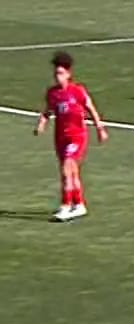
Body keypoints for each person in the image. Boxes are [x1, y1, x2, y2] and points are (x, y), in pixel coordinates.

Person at [34, 51, 107, 222]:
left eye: (60, 74)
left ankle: (66, 206)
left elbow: (91, 108)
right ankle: (79, 204)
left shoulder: (77, 91)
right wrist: (41, 124)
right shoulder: (53, 93)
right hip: (60, 137)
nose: (57, 77)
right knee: (71, 172)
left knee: (67, 167)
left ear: (68, 74)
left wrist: (100, 128)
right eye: (55, 74)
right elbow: (48, 111)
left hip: (77, 136)